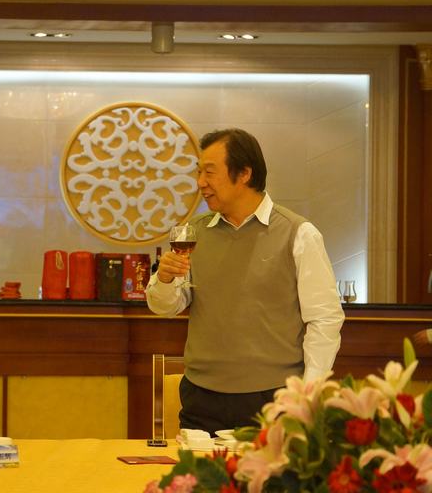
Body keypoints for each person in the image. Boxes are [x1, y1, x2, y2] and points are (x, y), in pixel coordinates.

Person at [146, 128, 345, 434]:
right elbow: (165, 307)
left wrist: (306, 395)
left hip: (273, 399)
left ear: (244, 174)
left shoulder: (298, 233)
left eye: (209, 172)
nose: (200, 183)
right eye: (199, 172)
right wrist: (164, 278)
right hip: (201, 398)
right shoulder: (193, 232)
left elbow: (325, 319)